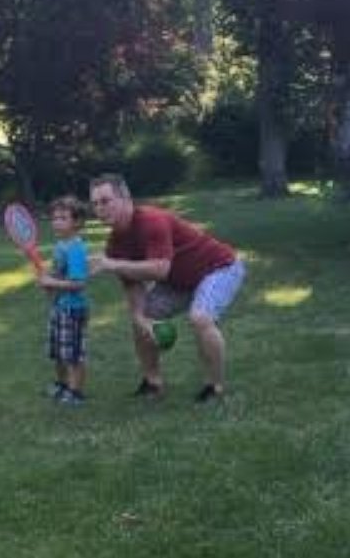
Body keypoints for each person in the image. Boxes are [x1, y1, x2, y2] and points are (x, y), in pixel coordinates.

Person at [88, 173, 244, 403]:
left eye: (105, 201)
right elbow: (133, 286)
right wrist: (140, 317)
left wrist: (111, 264)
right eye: (95, 203)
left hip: (218, 269)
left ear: (125, 198)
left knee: (200, 317)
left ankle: (215, 387)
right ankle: (153, 382)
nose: (100, 208)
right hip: (179, 281)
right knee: (142, 319)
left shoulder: (152, 221)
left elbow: (160, 269)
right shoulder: (115, 244)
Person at [37, 195, 90, 405]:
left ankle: (76, 392)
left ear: (76, 222)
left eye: (63, 218)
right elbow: (58, 275)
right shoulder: (60, 245)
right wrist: (48, 280)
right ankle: (63, 384)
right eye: (54, 218)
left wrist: (51, 283)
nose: (56, 222)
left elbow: (78, 284)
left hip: (73, 309)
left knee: (73, 354)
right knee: (58, 351)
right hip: (59, 307)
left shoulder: (76, 248)